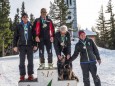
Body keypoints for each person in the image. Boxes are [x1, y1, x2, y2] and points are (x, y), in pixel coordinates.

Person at [13, 13, 37, 81]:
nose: (25, 18)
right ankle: (22, 75)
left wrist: (35, 44)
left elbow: (34, 36)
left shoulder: (30, 25)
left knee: (30, 61)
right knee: (22, 61)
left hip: (30, 45)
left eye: (26, 17)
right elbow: (15, 37)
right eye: (24, 17)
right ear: (22, 18)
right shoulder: (19, 26)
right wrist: (15, 46)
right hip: (22, 46)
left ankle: (30, 75)